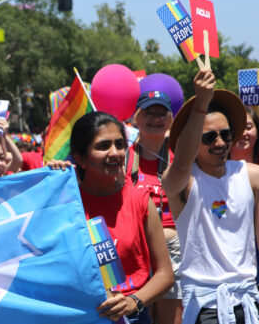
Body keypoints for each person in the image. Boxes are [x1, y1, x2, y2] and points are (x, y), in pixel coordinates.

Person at [49, 111, 174, 324]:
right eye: (103, 146)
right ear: (80, 158)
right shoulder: (65, 205)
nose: (115, 153)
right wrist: (50, 183)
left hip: (133, 318)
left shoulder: (140, 201)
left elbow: (165, 274)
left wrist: (134, 301)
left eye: (119, 144)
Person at [162, 69, 259, 324]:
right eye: (209, 137)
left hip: (249, 301)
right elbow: (182, 162)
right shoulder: (181, 182)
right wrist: (201, 103)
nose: (220, 143)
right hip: (206, 306)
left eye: (226, 134)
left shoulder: (249, 176)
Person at [127, 91, 182, 324]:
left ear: (170, 120)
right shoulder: (122, 157)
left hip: (174, 251)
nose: (155, 118)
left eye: (162, 113)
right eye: (149, 112)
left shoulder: (181, 157)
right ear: (136, 118)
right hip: (137, 250)